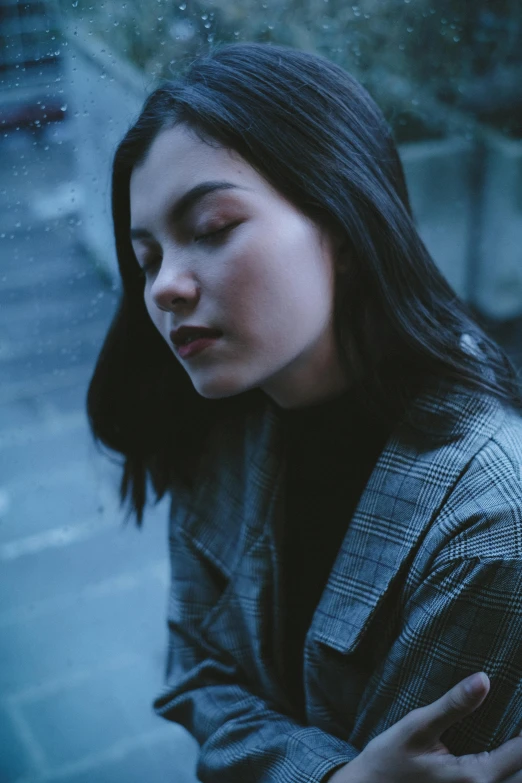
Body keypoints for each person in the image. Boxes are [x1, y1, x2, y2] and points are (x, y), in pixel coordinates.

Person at [87, 42, 522, 782]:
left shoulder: (489, 516)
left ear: (345, 226)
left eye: (213, 227)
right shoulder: (215, 424)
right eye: (148, 255)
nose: (163, 287)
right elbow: (194, 676)